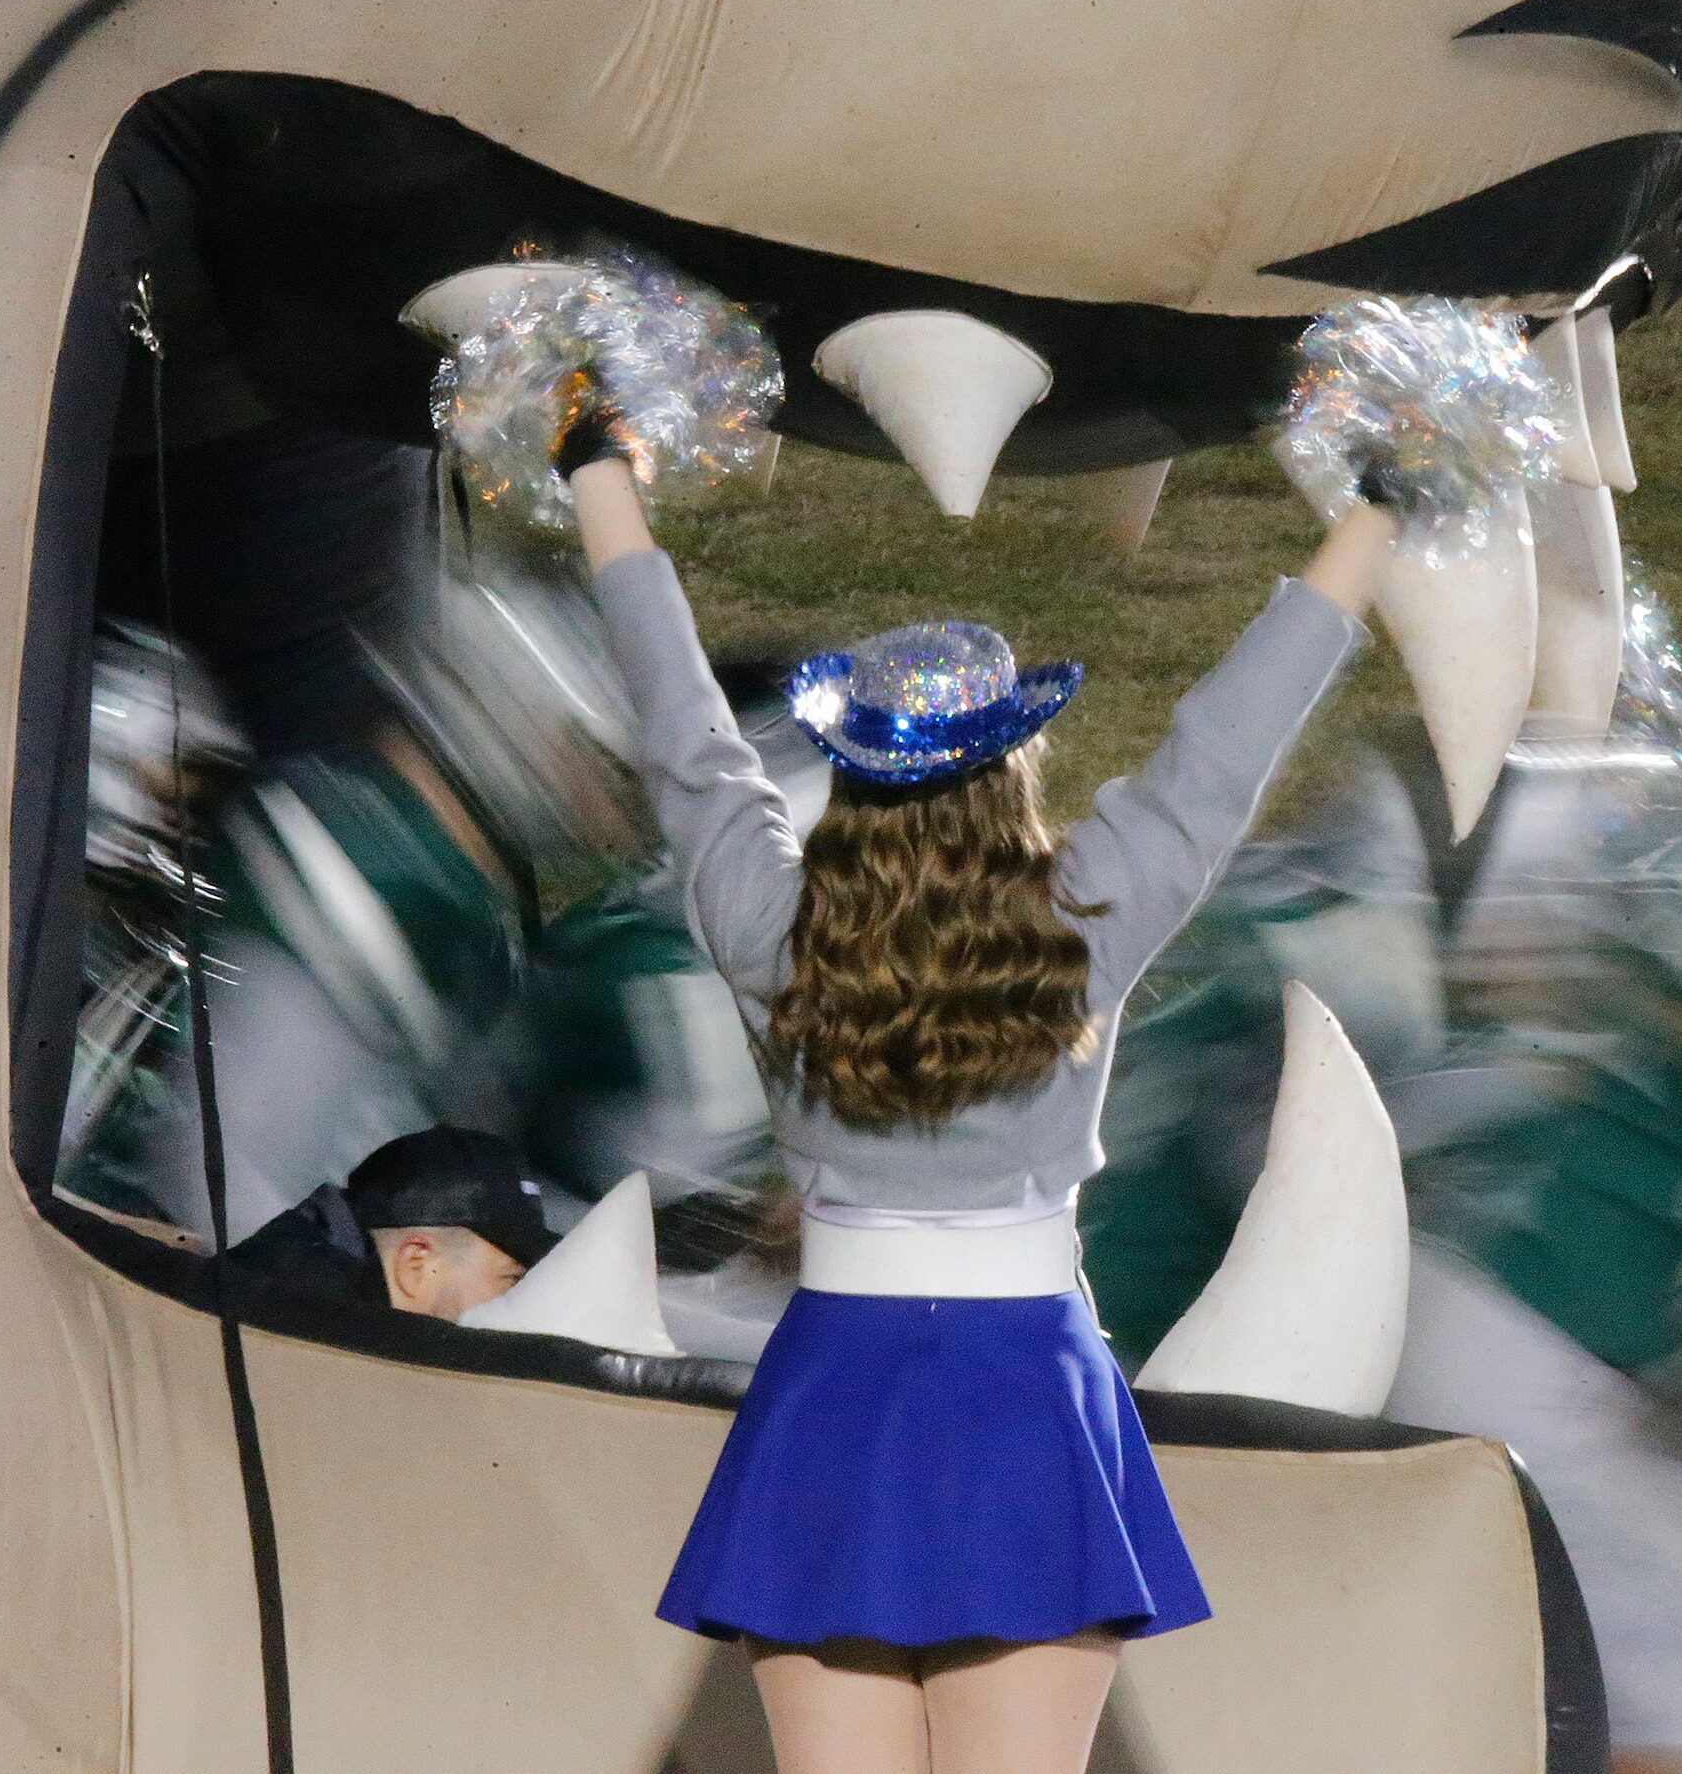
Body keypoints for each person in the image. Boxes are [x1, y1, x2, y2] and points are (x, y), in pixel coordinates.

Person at [559, 427, 1392, 1774]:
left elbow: (686, 738)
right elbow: (1225, 744)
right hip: (1029, 1404)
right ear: (1010, 770)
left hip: (832, 1400)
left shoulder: (774, 934)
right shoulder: (1080, 921)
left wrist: (596, 473)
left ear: (851, 784)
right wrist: (1379, 511)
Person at [227, 1124, 558, 1320]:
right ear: (416, 1264)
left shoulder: (295, 1309)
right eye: (512, 1281)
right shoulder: (309, 1341)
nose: (522, 1304)